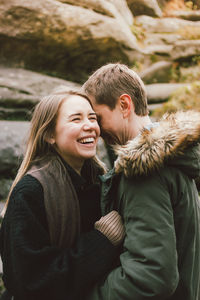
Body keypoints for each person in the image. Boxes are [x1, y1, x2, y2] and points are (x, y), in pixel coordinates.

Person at [82, 63, 200, 300]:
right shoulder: (174, 158)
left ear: (124, 105)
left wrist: (88, 296)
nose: (96, 129)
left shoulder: (144, 171)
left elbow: (151, 275)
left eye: (98, 117)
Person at [0, 90, 125, 300]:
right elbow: (30, 282)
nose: (89, 126)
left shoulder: (100, 184)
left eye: (92, 118)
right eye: (76, 119)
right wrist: (102, 241)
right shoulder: (30, 192)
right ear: (50, 135)